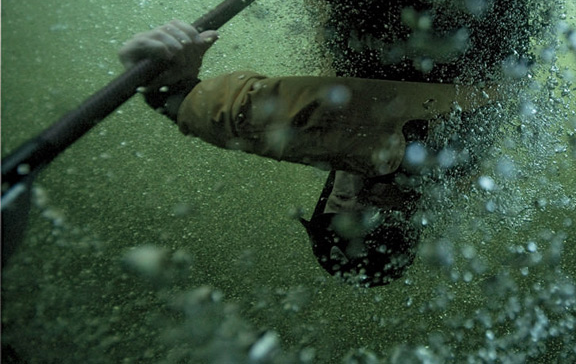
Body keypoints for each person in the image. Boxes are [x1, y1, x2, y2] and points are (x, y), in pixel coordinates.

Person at [119, 20, 496, 287]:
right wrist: (176, 93)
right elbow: (279, 120)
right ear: (355, 207)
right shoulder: (395, 157)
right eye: (332, 205)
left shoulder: (451, 172)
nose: (330, 188)